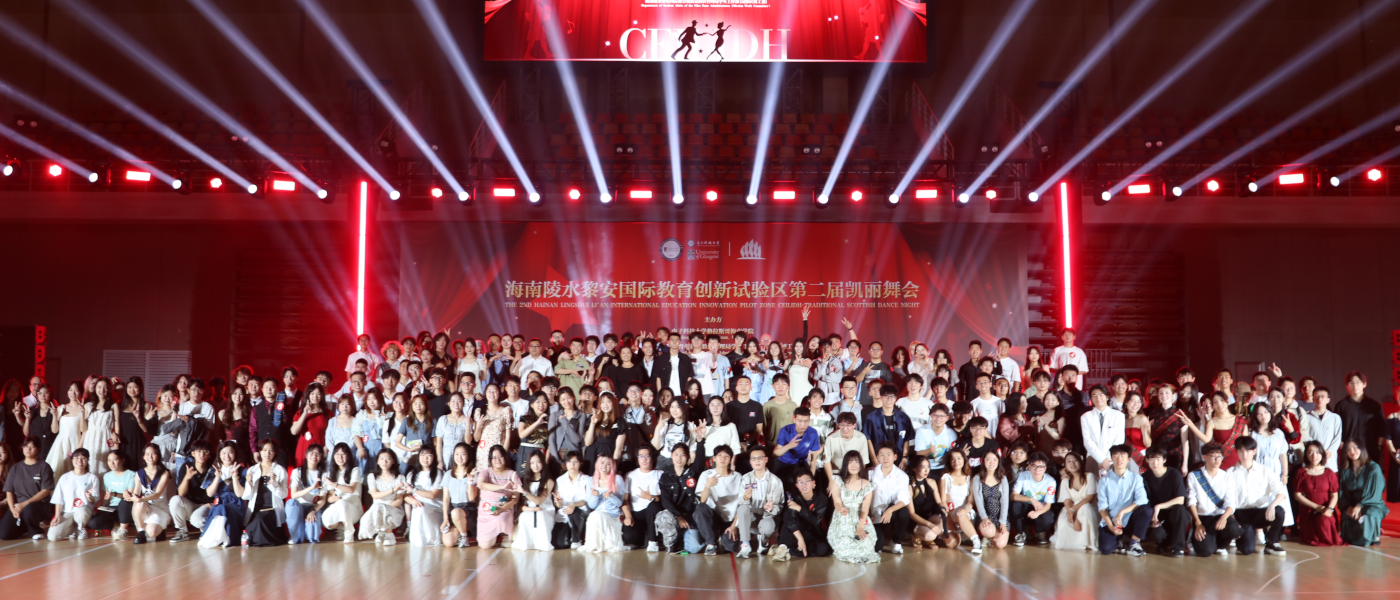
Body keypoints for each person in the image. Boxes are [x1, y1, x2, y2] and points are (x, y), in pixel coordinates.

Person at [1228, 436, 1286, 556]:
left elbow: (1281, 493)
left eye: (1248, 451)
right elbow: (1225, 499)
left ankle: (1272, 542)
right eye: (1241, 451)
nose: (1245, 454)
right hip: (1240, 514)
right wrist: (1232, 519)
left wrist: (1272, 506)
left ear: (1254, 451)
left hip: (1260, 512)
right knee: (1247, 550)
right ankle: (1242, 538)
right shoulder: (1230, 473)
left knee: (1279, 511)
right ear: (1237, 451)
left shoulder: (1265, 470)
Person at [1186, 443, 1242, 557]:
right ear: (1204, 457)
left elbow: (1231, 503)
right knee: (1205, 552)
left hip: (1220, 516)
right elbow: (1191, 501)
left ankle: (1222, 546)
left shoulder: (1226, 477)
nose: (1217, 459)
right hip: (1203, 518)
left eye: (1219, 456)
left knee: (1234, 529)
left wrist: (1224, 518)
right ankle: (1195, 536)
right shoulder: (1194, 475)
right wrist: (1197, 523)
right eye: (1213, 456)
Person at [727, 445, 783, 557]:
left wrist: (772, 508)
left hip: (767, 517)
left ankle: (763, 541)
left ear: (766, 459)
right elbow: (740, 501)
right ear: (750, 461)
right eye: (753, 458)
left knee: (768, 526)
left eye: (760, 457)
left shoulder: (775, 481)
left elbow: (780, 505)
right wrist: (745, 498)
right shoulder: (745, 479)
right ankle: (746, 545)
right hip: (751, 518)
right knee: (742, 508)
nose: (757, 461)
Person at [1096, 444, 1148, 557]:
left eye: (1123, 455)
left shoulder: (1136, 478)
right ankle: (1119, 539)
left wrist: (1122, 512)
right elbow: (1102, 507)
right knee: (1105, 549)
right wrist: (1110, 526)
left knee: (1147, 510)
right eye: (1116, 455)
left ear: (1128, 459)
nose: (1119, 459)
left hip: (1129, 520)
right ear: (1111, 459)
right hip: (1111, 521)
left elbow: (1142, 500)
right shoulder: (1104, 481)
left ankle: (1134, 543)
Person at [828, 450, 881, 563]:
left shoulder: (867, 485)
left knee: (865, 547)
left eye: (856, 462)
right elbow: (836, 501)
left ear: (861, 464)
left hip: (860, 519)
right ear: (845, 464)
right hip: (843, 519)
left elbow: (865, 509)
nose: (853, 465)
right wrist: (840, 508)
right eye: (850, 462)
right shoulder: (838, 480)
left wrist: (860, 528)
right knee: (845, 549)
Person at [237, 439, 289, 546]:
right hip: (256, 510)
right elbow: (246, 497)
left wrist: (273, 483)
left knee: (261, 521)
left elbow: (284, 494)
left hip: (272, 509)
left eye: (271, 450)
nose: (267, 453)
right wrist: (250, 483)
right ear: (260, 451)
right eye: (264, 450)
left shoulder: (280, 470)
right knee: (254, 524)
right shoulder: (252, 469)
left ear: (275, 452)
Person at [1292, 440, 1343, 546]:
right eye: (1310, 452)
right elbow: (1297, 495)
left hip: (1326, 509)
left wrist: (1329, 509)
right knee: (1311, 538)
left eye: (1318, 452)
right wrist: (1317, 507)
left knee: (1325, 525)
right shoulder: (1301, 472)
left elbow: (1334, 495)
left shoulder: (1329, 473)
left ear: (1322, 454)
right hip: (1309, 510)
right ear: (1306, 454)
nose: (1314, 455)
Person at [692, 445, 742, 555]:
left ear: (730, 459)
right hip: (714, 516)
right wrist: (707, 486)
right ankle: (711, 543)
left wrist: (734, 526)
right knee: (700, 508)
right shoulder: (706, 475)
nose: (722, 458)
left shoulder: (738, 477)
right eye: (719, 455)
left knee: (730, 546)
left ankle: (723, 536)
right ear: (714, 458)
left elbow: (742, 504)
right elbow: (703, 501)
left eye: (726, 456)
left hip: (730, 519)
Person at [196, 442, 246, 548]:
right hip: (219, 503)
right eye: (224, 453)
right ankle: (217, 537)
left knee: (222, 508)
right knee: (220, 507)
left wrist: (235, 477)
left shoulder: (242, 470)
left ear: (235, 454)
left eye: (230, 453)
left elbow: (239, 494)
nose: (227, 456)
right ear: (219, 454)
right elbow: (210, 493)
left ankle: (224, 538)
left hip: (235, 504)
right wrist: (217, 477)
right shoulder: (213, 470)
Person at [960, 450, 1010, 554]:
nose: (991, 462)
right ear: (983, 462)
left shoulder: (1003, 479)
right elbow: (978, 501)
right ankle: (987, 536)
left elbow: (1005, 502)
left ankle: (993, 536)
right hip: (985, 515)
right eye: (988, 459)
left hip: (999, 516)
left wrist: (1003, 522)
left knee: (1000, 545)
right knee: (989, 531)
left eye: (994, 460)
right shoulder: (977, 478)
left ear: (998, 462)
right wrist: (985, 518)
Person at [1141, 446, 1189, 557]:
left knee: (1181, 511)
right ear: (1147, 460)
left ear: (1164, 460)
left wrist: (1159, 506)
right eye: (1151, 459)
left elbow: (1181, 499)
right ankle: (1163, 543)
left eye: (1158, 459)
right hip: (1158, 514)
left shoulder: (1174, 474)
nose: (1155, 463)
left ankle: (1179, 548)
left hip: (1173, 511)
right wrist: (1152, 516)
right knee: (1157, 534)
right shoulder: (1145, 477)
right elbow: (1144, 500)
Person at [1337, 440, 1387, 546]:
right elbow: (1343, 491)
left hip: (1372, 503)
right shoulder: (1345, 470)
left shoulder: (1373, 468)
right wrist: (1348, 506)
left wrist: (1359, 506)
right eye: (1348, 449)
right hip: (1352, 503)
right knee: (1347, 514)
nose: (1352, 451)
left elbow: (1375, 491)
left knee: (1369, 513)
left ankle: (1373, 536)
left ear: (1362, 449)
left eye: (1355, 447)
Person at [773, 470, 832, 559]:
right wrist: (800, 539)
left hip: (811, 531)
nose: (804, 485)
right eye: (800, 482)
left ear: (813, 483)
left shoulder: (821, 498)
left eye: (807, 481)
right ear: (797, 485)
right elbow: (791, 521)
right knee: (788, 523)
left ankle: (788, 551)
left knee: (823, 549)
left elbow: (815, 521)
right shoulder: (793, 498)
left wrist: (800, 509)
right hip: (796, 531)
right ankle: (783, 547)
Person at [654, 444, 699, 554]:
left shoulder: (693, 473)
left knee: (694, 548)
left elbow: (700, 461)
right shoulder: (665, 476)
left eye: (682, 455)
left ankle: (683, 537)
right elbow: (666, 501)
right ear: (671, 456)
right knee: (663, 517)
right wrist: (678, 516)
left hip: (690, 516)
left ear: (688, 457)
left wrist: (700, 442)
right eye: (676, 454)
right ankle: (672, 544)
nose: (679, 458)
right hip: (674, 516)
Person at [867, 443, 912, 554]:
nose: (885, 458)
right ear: (877, 457)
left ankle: (896, 542)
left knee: (904, 513)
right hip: (874, 514)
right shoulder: (869, 473)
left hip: (891, 512)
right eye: (882, 454)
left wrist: (890, 510)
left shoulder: (902, 476)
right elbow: (864, 496)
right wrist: (868, 513)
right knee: (877, 548)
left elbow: (904, 499)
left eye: (889, 454)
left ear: (895, 457)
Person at [169, 440, 216, 543]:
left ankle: (208, 529)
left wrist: (213, 503)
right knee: (175, 500)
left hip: (206, 505)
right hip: (190, 505)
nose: (202, 454)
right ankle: (182, 531)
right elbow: (181, 494)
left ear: (209, 454)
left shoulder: (213, 469)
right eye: (199, 451)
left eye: (205, 451)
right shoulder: (186, 467)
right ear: (193, 454)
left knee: (197, 520)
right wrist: (187, 478)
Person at [47, 448, 98, 541]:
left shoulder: (92, 477)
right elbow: (58, 498)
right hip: (67, 511)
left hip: (84, 509)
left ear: (87, 460)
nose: (79, 460)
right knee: (52, 537)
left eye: (83, 458)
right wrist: (57, 515)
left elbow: (95, 499)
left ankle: (81, 528)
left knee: (81, 514)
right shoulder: (65, 477)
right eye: (76, 457)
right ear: (72, 460)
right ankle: (72, 530)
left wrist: (90, 497)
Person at [580, 454, 628, 552]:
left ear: (612, 466)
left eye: (608, 464)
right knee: (595, 515)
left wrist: (610, 496)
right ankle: (595, 545)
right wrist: (595, 496)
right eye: (602, 463)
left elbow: (619, 503)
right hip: (597, 515)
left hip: (612, 516)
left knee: (595, 515)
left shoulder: (617, 479)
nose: (604, 466)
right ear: (597, 464)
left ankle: (602, 544)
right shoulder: (591, 480)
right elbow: (591, 505)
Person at [1050, 452, 1097, 552]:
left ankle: (1088, 542)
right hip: (1071, 507)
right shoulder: (1065, 481)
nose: (1072, 463)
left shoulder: (1090, 476)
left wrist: (1073, 510)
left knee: (1086, 509)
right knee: (1063, 520)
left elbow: (1090, 498)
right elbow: (1067, 501)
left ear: (1081, 462)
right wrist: (1072, 515)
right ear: (1065, 466)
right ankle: (1074, 543)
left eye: (1075, 460)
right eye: (1069, 461)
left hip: (1087, 505)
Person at [475, 445, 520, 548]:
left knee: (501, 520)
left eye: (500, 456)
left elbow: (515, 499)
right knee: (484, 546)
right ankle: (495, 534)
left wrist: (501, 509)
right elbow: (481, 484)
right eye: (494, 457)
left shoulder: (512, 474)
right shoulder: (485, 472)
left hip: (503, 509)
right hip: (486, 510)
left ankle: (506, 533)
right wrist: (502, 487)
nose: (497, 460)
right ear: (490, 460)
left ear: (505, 457)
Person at [359, 448, 407, 544]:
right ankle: (382, 532)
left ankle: (389, 535)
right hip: (376, 508)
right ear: (377, 461)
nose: (384, 462)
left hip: (394, 508)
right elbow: (375, 495)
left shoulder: (400, 477)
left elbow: (399, 500)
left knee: (380, 508)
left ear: (393, 461)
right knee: (377, 507)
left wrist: (385, 508)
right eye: (382, 459)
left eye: (388, 459)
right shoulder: (372, 476)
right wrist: (393, 490)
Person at [1010, 451, 1056, 546]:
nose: (1037, 469)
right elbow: (1013, 496)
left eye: (1041, 467)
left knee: (1049, 517)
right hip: (1026, 507)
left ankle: (1039, 532)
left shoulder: (1050, 481)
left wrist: (1037, 513)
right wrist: (1031, 499)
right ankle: (1020, 533)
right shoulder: (1023, 476)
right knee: (1015, 505)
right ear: (1029, 466)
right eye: (1034, 466)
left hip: (1040, 509)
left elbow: (1048, 505)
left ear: (1045, 468)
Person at [622, 446, 663, 551]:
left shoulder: (660, 474)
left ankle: (653, 541)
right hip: (636, 513)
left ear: (652, 458)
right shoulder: (630, 475)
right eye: (641, 456)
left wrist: (650, 497)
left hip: (653, 512)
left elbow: (664, 498)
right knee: (629, 538)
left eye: (647, 456)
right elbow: (625, 499)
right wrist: (628, 516)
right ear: (637, 459)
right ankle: (644, 536)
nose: (644, 459)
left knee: (653, 506)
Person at [321, 442, 363, 543]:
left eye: (343, 454)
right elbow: (330, 498)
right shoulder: (330, 473)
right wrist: (333, 498)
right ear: (333, 456)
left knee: (342, 503)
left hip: (354, 509)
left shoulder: (355, 470)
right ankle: (342, 527)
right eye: (337, 454)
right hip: (340, 506)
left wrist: (334, 484)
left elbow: (351, 489)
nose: (340, 457)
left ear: (348, 456)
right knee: (326, 520)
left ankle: (349, 533)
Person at [286, 443, 328, 544]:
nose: (314, 456)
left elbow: (322, 500)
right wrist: (311, 488)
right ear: (306, 454)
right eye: (312, 453)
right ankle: (295, 536)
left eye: (318, 454)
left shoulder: (324, 474)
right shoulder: (297, 472)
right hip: (299, 507)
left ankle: (306, 532)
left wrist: (313, 510)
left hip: (314, 507)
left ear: (321, 457)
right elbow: (294, 495)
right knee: (291, 503)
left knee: (312, 537)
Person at [89, 451, 137, 540]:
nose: (112, 463)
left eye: (115, 459)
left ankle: (123, 530)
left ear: (123, 460)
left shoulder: (131, 474)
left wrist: (114, 494)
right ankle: (116, 524)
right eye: (109, 460)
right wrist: (104, 505)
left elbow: (129, 496)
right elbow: (106, 498)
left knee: (124, 502)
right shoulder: (107, 476)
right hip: (113, 508)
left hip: (127, 507)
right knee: (94, 523)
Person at [403, 446, 444, 547]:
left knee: (421, 509)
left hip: (435, 508)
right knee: (419, 509)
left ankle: (431, 538)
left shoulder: (438, 473)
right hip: (418, 506)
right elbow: (406, 495)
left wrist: (414, 490)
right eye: (423, 455)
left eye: (429, 455)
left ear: (434, 457)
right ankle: (418, 540)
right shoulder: (412, 474)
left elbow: (433, 495)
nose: (425, 458)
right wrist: (414, 501)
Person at [1081, 385, 1126, 475]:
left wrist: (1107, 460)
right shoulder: (1085, 416)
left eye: (1101, 395)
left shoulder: (1118, 415)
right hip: (1093, 457)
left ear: (1107, 397)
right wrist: (1101, 459)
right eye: (1094, 395)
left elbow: (1119, 440)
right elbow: (1087, 441)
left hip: (1112, 458)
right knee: (1092, 486)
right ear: (1091, 398)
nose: (1098, 398)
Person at [863, 388, 914, 466]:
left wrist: (904, 458)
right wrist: (874, 460)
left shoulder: (903, 417)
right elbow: (868, 439)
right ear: (881, 397)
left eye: (892, 396)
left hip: (898, 458)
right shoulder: (871, 417)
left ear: (896, 398)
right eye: (886, 396)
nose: (889, 399)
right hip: (879, 459)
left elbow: (906, 439)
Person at [441, 443, 475, 548]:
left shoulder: (473, 473)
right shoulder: (448, 474)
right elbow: (446, 498)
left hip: (469, 509)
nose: (459, 457)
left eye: (463, 454)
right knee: (448, 542)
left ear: (468, 455)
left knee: (456, 513)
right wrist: (445, 518)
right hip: (454, 510)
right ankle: (460, 532)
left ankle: (464, 536)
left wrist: (470, 482)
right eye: (457, 454)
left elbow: (472, 498)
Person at [1304, 386, 1342, 471]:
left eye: (1322, 396)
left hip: (1330, 459)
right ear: (1313, 399)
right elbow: (1306, 436)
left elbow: (1337, 437)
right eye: (1317, 396)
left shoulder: (1335, 417)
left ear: (1328, 399)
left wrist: (1329, 451)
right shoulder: (1306, 417)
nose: (1319, 399)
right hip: (1313, 457)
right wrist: (1317, 451)